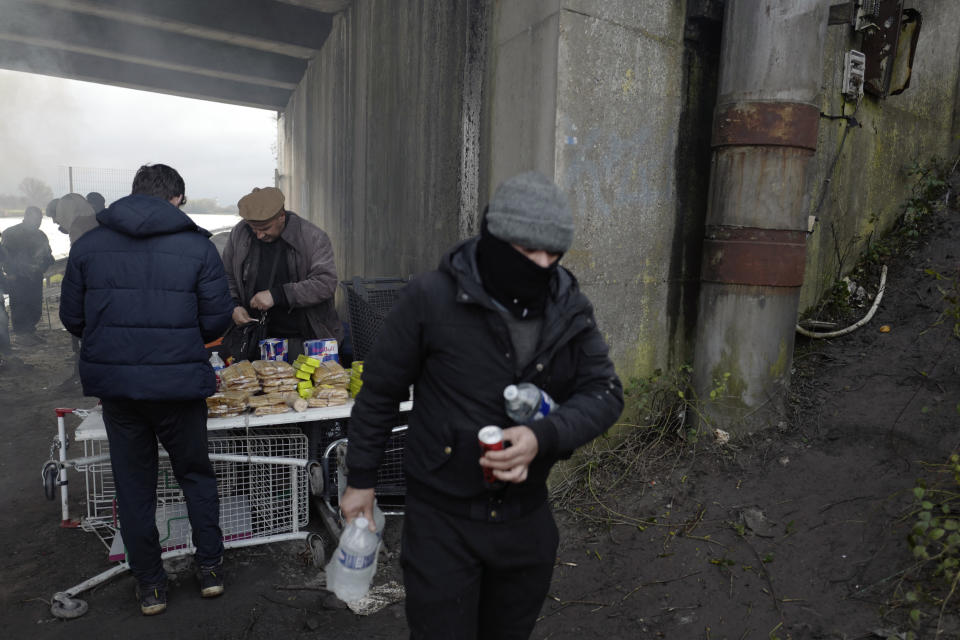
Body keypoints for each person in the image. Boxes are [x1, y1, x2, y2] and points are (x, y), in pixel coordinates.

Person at [340, 171, 624, 639]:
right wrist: (362, 480)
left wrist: (542, 436)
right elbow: (380, 392)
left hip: (525, 522)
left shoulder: (569, 309)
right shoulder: (431, 298)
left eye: (552, 255)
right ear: (493, 236)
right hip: (441, 521)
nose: (541, 264)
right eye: (527, 251)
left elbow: (605, 394)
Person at [59, 164, 234, 616]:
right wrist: (177, 341)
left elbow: (72, 318)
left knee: (134, 488)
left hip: (119, 390)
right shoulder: (198, 246)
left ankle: (151, 586)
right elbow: (216, 320)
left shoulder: (89, 245)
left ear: (135, 194)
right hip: (178, 388)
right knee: (195, 475)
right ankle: (211, 571)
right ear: (175, 199)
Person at [221, 186, 341, 360]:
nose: (260, 235)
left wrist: (278, 295)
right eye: (254, 229)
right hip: (253, 338)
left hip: (302, 340)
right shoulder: (239, 234)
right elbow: (227, 276)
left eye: (265, 228)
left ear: (281, 216)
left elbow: (325, 283)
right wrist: (234, 305)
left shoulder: (313, 237)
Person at [0, 206, 54, 343]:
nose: (38, 222)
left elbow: (48, 256)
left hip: (35, 277)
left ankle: (30, 331)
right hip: (18, 278)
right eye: (36, 219)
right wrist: (12, 272)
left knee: (35, 305)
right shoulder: (11, 233)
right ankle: (21, 335)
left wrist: (41, 266)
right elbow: (4, 257)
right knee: (19, 305)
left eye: (40, 219)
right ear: (27, 216)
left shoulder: (41, 235)